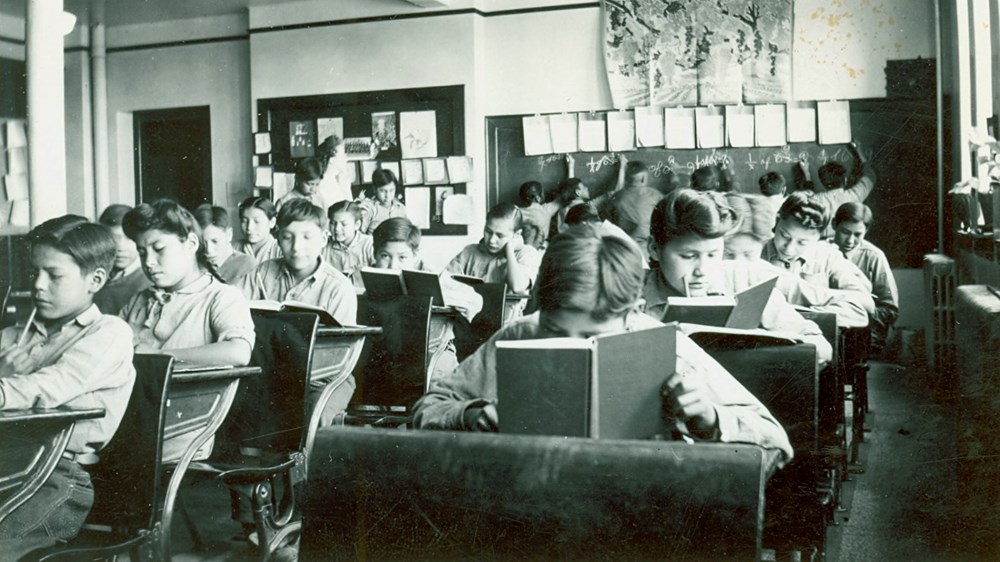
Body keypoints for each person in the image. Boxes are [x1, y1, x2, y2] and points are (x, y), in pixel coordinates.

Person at [413, 224, 793, 466]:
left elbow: (776, 442)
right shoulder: (518, 334)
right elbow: (428, 409)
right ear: (541, 308)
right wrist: (469, 414)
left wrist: (710, 418)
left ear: (632, 313)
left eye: (597, 337)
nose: (572, 347)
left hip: (635, 514)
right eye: (555, 330)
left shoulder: (664, 346)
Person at [0, 217, 136, 559]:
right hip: (10, 465)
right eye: (34, 273)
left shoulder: (109, 333)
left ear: (96, 280)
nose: (38, 286)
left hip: (57, 478)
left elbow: (50, 387)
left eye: (53, 275)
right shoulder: (17, 334)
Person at [119, 199, 255, 462]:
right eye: (142, 252)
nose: (149, 262)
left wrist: (159, 357)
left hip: (181, 424)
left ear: (191, 244)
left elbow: (238, 352)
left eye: (159, 249)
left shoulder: (221, 297)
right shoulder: (141, 299)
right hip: (133, 414)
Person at [644, 189, 832, 365]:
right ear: (654, 249)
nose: (702, 270)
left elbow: (822, 348)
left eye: (712, 254)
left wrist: (758, 345)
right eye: (688, 256)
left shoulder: (743, 281)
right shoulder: (630, 295)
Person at [369, 217, 482, 381]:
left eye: (402, 258)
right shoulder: (369, 274)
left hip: (435, 351)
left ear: (415, 255)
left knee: (437, 383)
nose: (393, 265)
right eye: (385, 256)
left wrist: (443, 297)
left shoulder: (433, 275)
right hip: (389, 352)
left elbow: (475, 301)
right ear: (374, 253)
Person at [759, 191, 875, 328]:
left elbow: (863, 304)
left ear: (818, 237)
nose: (789, 248)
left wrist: (797, 316)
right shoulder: (754, 252)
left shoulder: (828, 257)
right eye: (784, 235)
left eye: (802, 242)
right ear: (777, 221)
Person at [240, 198, 357, 326]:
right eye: (287, 237)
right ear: (278, 240)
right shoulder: (262, 272)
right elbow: (232, 309)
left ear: (323, 239)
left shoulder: (339, 288)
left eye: (307, 237)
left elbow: (343, 343)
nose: (296, 246)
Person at [446, 203, 542, 321]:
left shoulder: (527, 254)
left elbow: (518, 286)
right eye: (488, 231)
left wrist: (510, 250)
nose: (491, 240)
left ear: (517, 235)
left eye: (500, 235)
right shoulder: (470, 251)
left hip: (506, 326)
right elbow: (445, 282)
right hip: (465, 323)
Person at [832, 202, 899, 353]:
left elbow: (890, 309)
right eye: (845, 232)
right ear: (834, 225)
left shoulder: (874, 257)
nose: (850, 240)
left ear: (866, 231)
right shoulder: (821, 250)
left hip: (861, 328)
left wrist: (858, 315)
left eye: (857, 235)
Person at [800, 142, 876, 237]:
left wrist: (807, 174)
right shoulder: (853, 196)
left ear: (823, 183)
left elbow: (808, 194)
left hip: (821, 242)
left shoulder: (815, 199)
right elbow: (871, 176)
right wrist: (859, 152)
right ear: (845, 180)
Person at [94, 204, 153, 315]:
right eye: (113, 239)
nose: (121, 247)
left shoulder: (148, 280)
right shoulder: (95, 275)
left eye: (129, 239)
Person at [551, 153, 627, 235]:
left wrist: (571, 167)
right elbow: (618, 193)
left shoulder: (562, 211)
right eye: (584, 187)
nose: (586, 188)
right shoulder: (588, 207)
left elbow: (571, 187)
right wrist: (622, 166)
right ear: (578, 192)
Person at [605, 159, 663, 260]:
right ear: (643, 178)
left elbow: (608, 221)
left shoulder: (616, 197)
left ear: (627, 179)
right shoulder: (655, 195)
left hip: (621, 249)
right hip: (648, 251)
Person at [194, 204, 256, 284]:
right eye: (202, 242)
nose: (208, 250)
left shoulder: (248, 266)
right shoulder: (196, 264)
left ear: (229, 234)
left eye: (215, 241)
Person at [323, 200, 373, 279]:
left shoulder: (370, 245)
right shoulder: (324, 246)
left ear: (357, 225)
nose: (337, 229)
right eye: (333, 223)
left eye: (344, 224)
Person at [358, 169, 407, 235]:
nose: (387, 195)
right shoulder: (369, 208)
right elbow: (360, 235)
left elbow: (405, 231)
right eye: (383, 191)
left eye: (391, 190)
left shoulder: (400, 208)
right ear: (374, 189)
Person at [236, 196, 282, 262]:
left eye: (257, 221)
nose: (249, 227)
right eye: (245, 221)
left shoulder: (280, 251)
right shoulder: (234, 248)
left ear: (272, 222)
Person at [316, 134, 354, 206]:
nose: (346, 159)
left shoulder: (335, 180)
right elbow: (347, 211)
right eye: (343, 155)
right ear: (332, 160)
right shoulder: (323, 185)